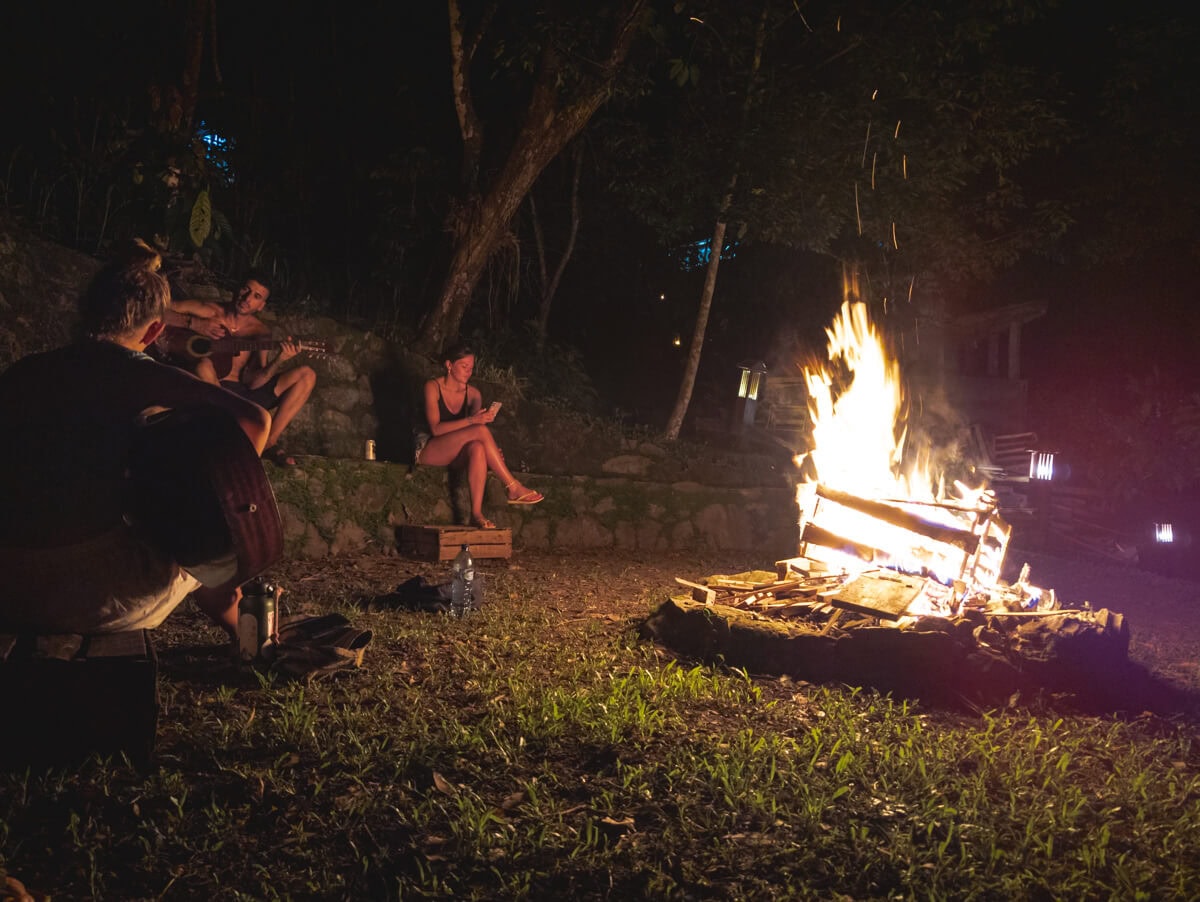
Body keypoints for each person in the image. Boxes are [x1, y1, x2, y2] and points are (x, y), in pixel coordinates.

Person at [0, 258, 272, 637]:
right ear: (154, 329)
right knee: (202, 545)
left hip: (8, 585)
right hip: (92, 596)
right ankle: (230, 606)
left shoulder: (22, 372)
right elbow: (255, 421)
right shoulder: (137, 372)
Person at [167, 270, 316, 466]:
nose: (247, 298)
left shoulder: (260, 333)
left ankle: (268, 441)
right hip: (210, 389)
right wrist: (194, 323)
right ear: (238, 288)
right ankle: (226, 432)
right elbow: (156, 310)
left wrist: (279, 360)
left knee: (307, 374)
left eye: (256, 296)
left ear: (261, 305)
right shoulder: (208, 311)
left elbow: (254, 383)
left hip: (242, 395)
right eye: (246, 289)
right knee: (204, 364)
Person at [415, 342, 543, 529]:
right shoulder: (433, 387)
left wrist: (492, 452)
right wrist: (473, 421)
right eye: (464, 367)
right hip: (429, 449)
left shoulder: (474, 394)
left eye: (471, 368)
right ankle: (513, 487)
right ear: (449, 365)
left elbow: (475, 433)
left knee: (478, 447)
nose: (468, 372)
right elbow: (436, 429)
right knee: (480, 431)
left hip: (456, 454)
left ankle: (476, 514)